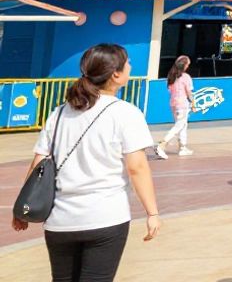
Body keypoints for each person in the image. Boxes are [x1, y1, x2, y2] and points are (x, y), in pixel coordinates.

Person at [13, 44, 161, 280]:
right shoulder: (126, 113)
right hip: (105, 218)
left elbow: (38, 165)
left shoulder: (60, 113)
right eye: (128, 63)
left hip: (60, 221)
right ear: (115, 74)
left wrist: (23, 208)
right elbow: (137, 168)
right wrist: (152, 212)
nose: (131, 67)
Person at [155, 55, 194, 159]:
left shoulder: (171, 76)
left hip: (173, 103)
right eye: (187, 64)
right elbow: (189, 92)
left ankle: (182, 147)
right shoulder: (185, 77)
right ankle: (162, 144)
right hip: (182, 104)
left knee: (182, 125)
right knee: (179, 125)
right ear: (184, 65)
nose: (188, 66)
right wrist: (193, 103)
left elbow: (170, 90)